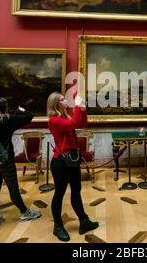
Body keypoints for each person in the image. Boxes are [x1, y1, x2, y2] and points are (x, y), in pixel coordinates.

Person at [0, 97, 42, 232]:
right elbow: (29, 116)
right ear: (4, 108)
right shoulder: (7, 120)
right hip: (5, 160)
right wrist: (21, 109)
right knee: (13, 187)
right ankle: (24, 212)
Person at [47, 91, 99, 242]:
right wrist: (77, 105)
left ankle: (84, 221)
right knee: (60, 193)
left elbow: (81, 123)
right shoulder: (54, 120)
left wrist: (82, 109)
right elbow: (73, 124)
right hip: (61, 163)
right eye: (62, 100)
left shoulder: (65, 117)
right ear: (55, 104)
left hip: (72, 160)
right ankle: (57, 226)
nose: (65, 101)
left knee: (76, 191)